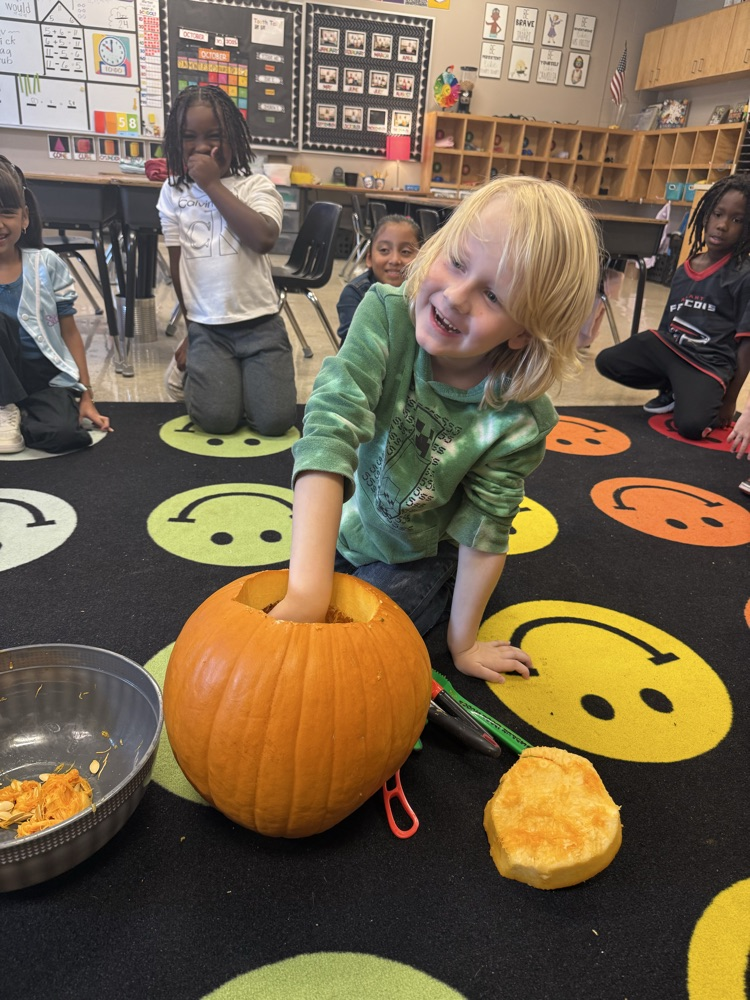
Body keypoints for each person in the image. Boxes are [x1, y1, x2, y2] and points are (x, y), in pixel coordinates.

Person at [269, 176, 601, 682]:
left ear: (524, 332)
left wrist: (463, 645)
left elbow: (487, 526)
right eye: (458, 262)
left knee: (350, 660)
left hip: (417, 557)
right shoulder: (383, 315)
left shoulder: (518, 418)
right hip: (348, 527)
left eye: (492, 294)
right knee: (281, 613)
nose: (456, 296)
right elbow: (328, 431)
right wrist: (307, 592)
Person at [159, 85, 296, 437]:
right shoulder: (172, 193)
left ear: (233, 138)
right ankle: (200, 376)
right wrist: (190, 330)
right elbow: (179, 267)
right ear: (177, 141)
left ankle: (241, 385)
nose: (202, 146)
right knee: (216, 421)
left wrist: (211, 184)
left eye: (214, 136)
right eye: (189, 137)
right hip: (207, 327)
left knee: (275, 422)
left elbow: (264, 238)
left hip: (261, 325)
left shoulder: (256, 186)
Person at [596, 173, 750, 440]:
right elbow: (667, 327)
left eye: (736, 220)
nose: (722, 225)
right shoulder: (683, 270)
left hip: (708, 365)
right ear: (705, 217)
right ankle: (672, 388)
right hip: (673, 349)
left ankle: (689, 393)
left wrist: (730, 400)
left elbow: (746, 345)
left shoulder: (744, 275)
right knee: (607, 362)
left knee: (692, 427)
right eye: (717, 214)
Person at [0, 156, 111, 454]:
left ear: (24, 218)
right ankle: (4, 405)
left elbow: (69, 332)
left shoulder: (46, 264)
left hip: (41, 377)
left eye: (7, 213)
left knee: (65, 435)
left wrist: (86, 396)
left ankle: (19, 413)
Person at [336, 214, 420, 344]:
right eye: (384, 250)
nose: (395, 260)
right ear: (369, 258)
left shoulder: (427, 292)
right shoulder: (355, 294)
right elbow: (355, 345)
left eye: (405, 252)